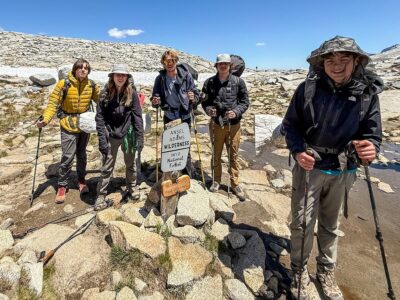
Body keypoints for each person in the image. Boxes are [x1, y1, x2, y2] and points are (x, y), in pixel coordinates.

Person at [281, 36, 383, 300]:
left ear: (356, 61)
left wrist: (370, 148)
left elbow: (373, 134)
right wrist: (298, 150)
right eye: (330, 60)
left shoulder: (367, 93)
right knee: (302, 223)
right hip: (309, 167)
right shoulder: (308, 89)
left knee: (330, 224)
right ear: (321, 63)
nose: (337, 65)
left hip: (343, 170)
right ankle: (299, 271)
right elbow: (290, 125)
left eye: (344, 60)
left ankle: (326, 271)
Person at [37, 58, 100, 204]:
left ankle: (81, 180)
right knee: (68, 155)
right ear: (74, 69)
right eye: (80, 67)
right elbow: (53, 103)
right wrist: (45, 120)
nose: (83, 70)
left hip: (84, 123)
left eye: (86, 68)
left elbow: (101, 102)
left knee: (82, 154)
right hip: (67, 123)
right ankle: (62, 185)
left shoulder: (91, 85)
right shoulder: (63, 84)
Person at [95, 64, 144, 209]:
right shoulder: (105, 93)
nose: (121, 77)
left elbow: (137, 116)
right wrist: (102, 140)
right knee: (107, 165)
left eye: (123, 75)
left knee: (130, 163)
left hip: (128, 133)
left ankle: (132, 187)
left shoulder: (132, 93)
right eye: (118, 74)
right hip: (110, 133)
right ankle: (101, 194)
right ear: (113, 76)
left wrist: (140, 137)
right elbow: (100, 117)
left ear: (127, 77)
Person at [201, 54, 249, 201]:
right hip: (216, 123)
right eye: (220, 63)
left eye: (226, 64)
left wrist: (236, 112)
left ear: (230, 66)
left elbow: (245, 102)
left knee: (233, 154)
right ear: (216, 66)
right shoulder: (209, 82)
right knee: (216, 153)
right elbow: (204, 101)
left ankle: (234, 183)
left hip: (234, 125)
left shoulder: (239, 82)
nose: (223, 66)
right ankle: (216, 181)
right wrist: (209, 110)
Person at [151, 50, 199, 177]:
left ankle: (187, 175)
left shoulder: (186, 75)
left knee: (184, 146)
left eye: (172, 60)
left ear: (176, 61)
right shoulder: (160, 79)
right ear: (163, 63)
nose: (169, 63)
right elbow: (155, 96)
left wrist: (193, 96)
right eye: (167, 61)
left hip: (184, 116)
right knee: (169, 145)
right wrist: (156, 101)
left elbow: (196, 93)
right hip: (169, 116)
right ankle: (170, 175)